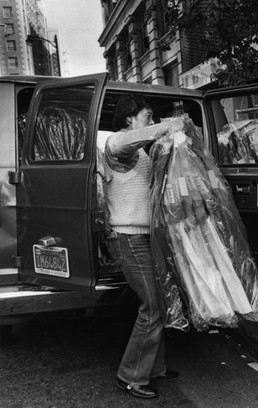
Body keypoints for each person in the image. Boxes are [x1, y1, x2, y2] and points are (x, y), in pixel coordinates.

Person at [103, 94, 179, 399]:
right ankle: (131, 376)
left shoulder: (142, 153)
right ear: (129, 120)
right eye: (147, 116)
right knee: (153, 306)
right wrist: (165, 127)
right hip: (129, 239)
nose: (152, 122)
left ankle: (154, 368)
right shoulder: (115, 145)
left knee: (157, 301)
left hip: (144, 237)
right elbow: (123, 144)